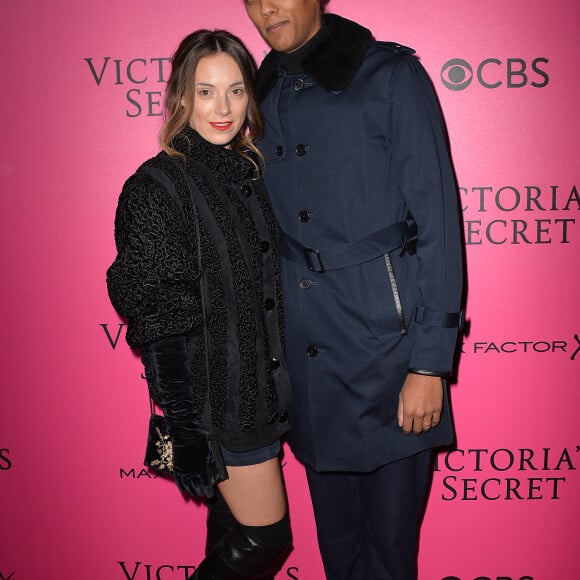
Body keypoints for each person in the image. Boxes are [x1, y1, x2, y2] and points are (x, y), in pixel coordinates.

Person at [243, 1, 465, 579]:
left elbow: (439, 222)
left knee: (389, 557)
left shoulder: (388, 74)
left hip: (388, 357)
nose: (264, 7)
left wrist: (429, 364)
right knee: (339, 554)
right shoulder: (256, 91)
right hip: (306, 367)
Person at [107, 29, 293, 579]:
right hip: (221, 403)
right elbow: (160, 317)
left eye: (236, 91)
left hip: (264, 390)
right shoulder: (157, 186)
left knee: (231, 533)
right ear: (181, 97)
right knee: (264, 539)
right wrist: (187, 427)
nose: (223, 108)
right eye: (206, 91)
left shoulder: (252, 174)